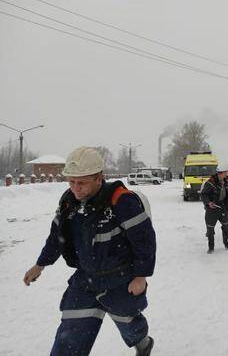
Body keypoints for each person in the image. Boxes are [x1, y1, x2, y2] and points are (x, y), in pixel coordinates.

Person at [23, 147, 156, 356]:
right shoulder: (69, 203)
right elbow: (57, 237)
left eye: (82, 183)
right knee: (69, 336)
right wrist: (40, 264)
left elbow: (144, 241)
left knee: (129, 322)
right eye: (72, 182)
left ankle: (143, 343)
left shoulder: (122, 201)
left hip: (120, 278)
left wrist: (141, 276)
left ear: (99, 178)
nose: (76, 189)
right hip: (86, 279)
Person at [200, 167, 228, 253]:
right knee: (210, 230)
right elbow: (204, 195)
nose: (226, 174)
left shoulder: (226, 182)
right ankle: (211, 247)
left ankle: (225, 242)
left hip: (222, 208)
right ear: (219, 173)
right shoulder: (210, 182)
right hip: (212, 209)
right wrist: (208, 203)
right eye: (224, 173)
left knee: (226, 226)